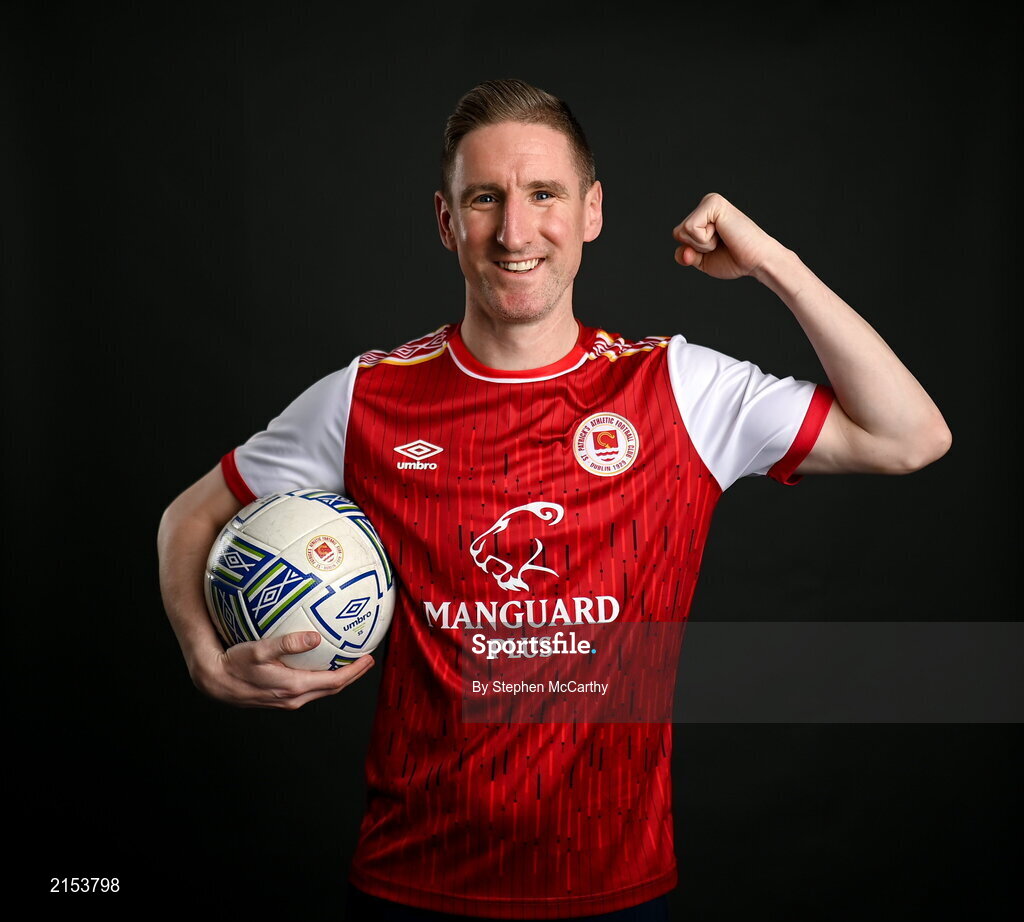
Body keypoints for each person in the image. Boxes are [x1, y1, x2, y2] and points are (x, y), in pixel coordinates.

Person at [157, 78, 951, 920]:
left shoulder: (678, 389)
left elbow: (909, 438)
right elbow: (190, 517)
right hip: (412, 880)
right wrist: (201, 653)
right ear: (445, 220)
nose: (515, 232)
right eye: (484, 199)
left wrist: (773, 266)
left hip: (616, 886)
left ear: (592, 210)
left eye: (544, 194)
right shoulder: (366, 399)